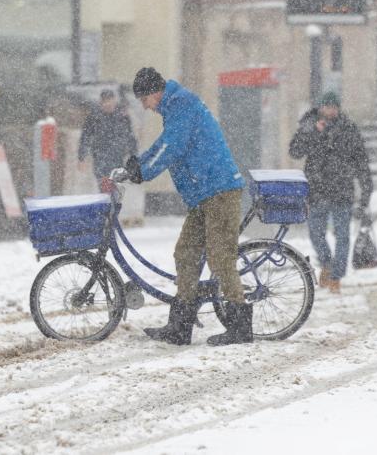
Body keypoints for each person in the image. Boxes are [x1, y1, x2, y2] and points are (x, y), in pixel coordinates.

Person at [122, 67, 250, 346]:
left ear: (155, 92)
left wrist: (143, 172)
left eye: (144, 99)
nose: (144, 106)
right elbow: (164, 145)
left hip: (220, 190)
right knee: (186, 253)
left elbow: (172, 147)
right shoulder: (174, 108)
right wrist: (138, 164)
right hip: (203, 194)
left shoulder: (183, 105)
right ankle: (180, 326)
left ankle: (240, 325)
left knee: (219, 257)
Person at [288, 91, 372, 294]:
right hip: (317, 190)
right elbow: (295, 151)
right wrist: (311, 133)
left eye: (334, 107)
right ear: (320, 107)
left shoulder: (349, 129)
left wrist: (366, 188)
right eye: (327, 107)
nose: (330, 111)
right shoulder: (309, 125)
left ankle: (336, 277)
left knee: (342, 236)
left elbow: (361, 160)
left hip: (342, 189)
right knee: (315, 233)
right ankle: (326, 263)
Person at [78, 89, 137, 190]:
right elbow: (85, 137)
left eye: (110, 101)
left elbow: (130, 137)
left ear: (114, 101)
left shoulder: (122, 116)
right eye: (105, 102)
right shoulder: (94, 117)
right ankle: (108, 203)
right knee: (105, 188)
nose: (108, 104)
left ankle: (112, 203)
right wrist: (82, 157)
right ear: (101, 103)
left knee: (116, 189)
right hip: (100, 159)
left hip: (118, 158)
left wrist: (133, 156)